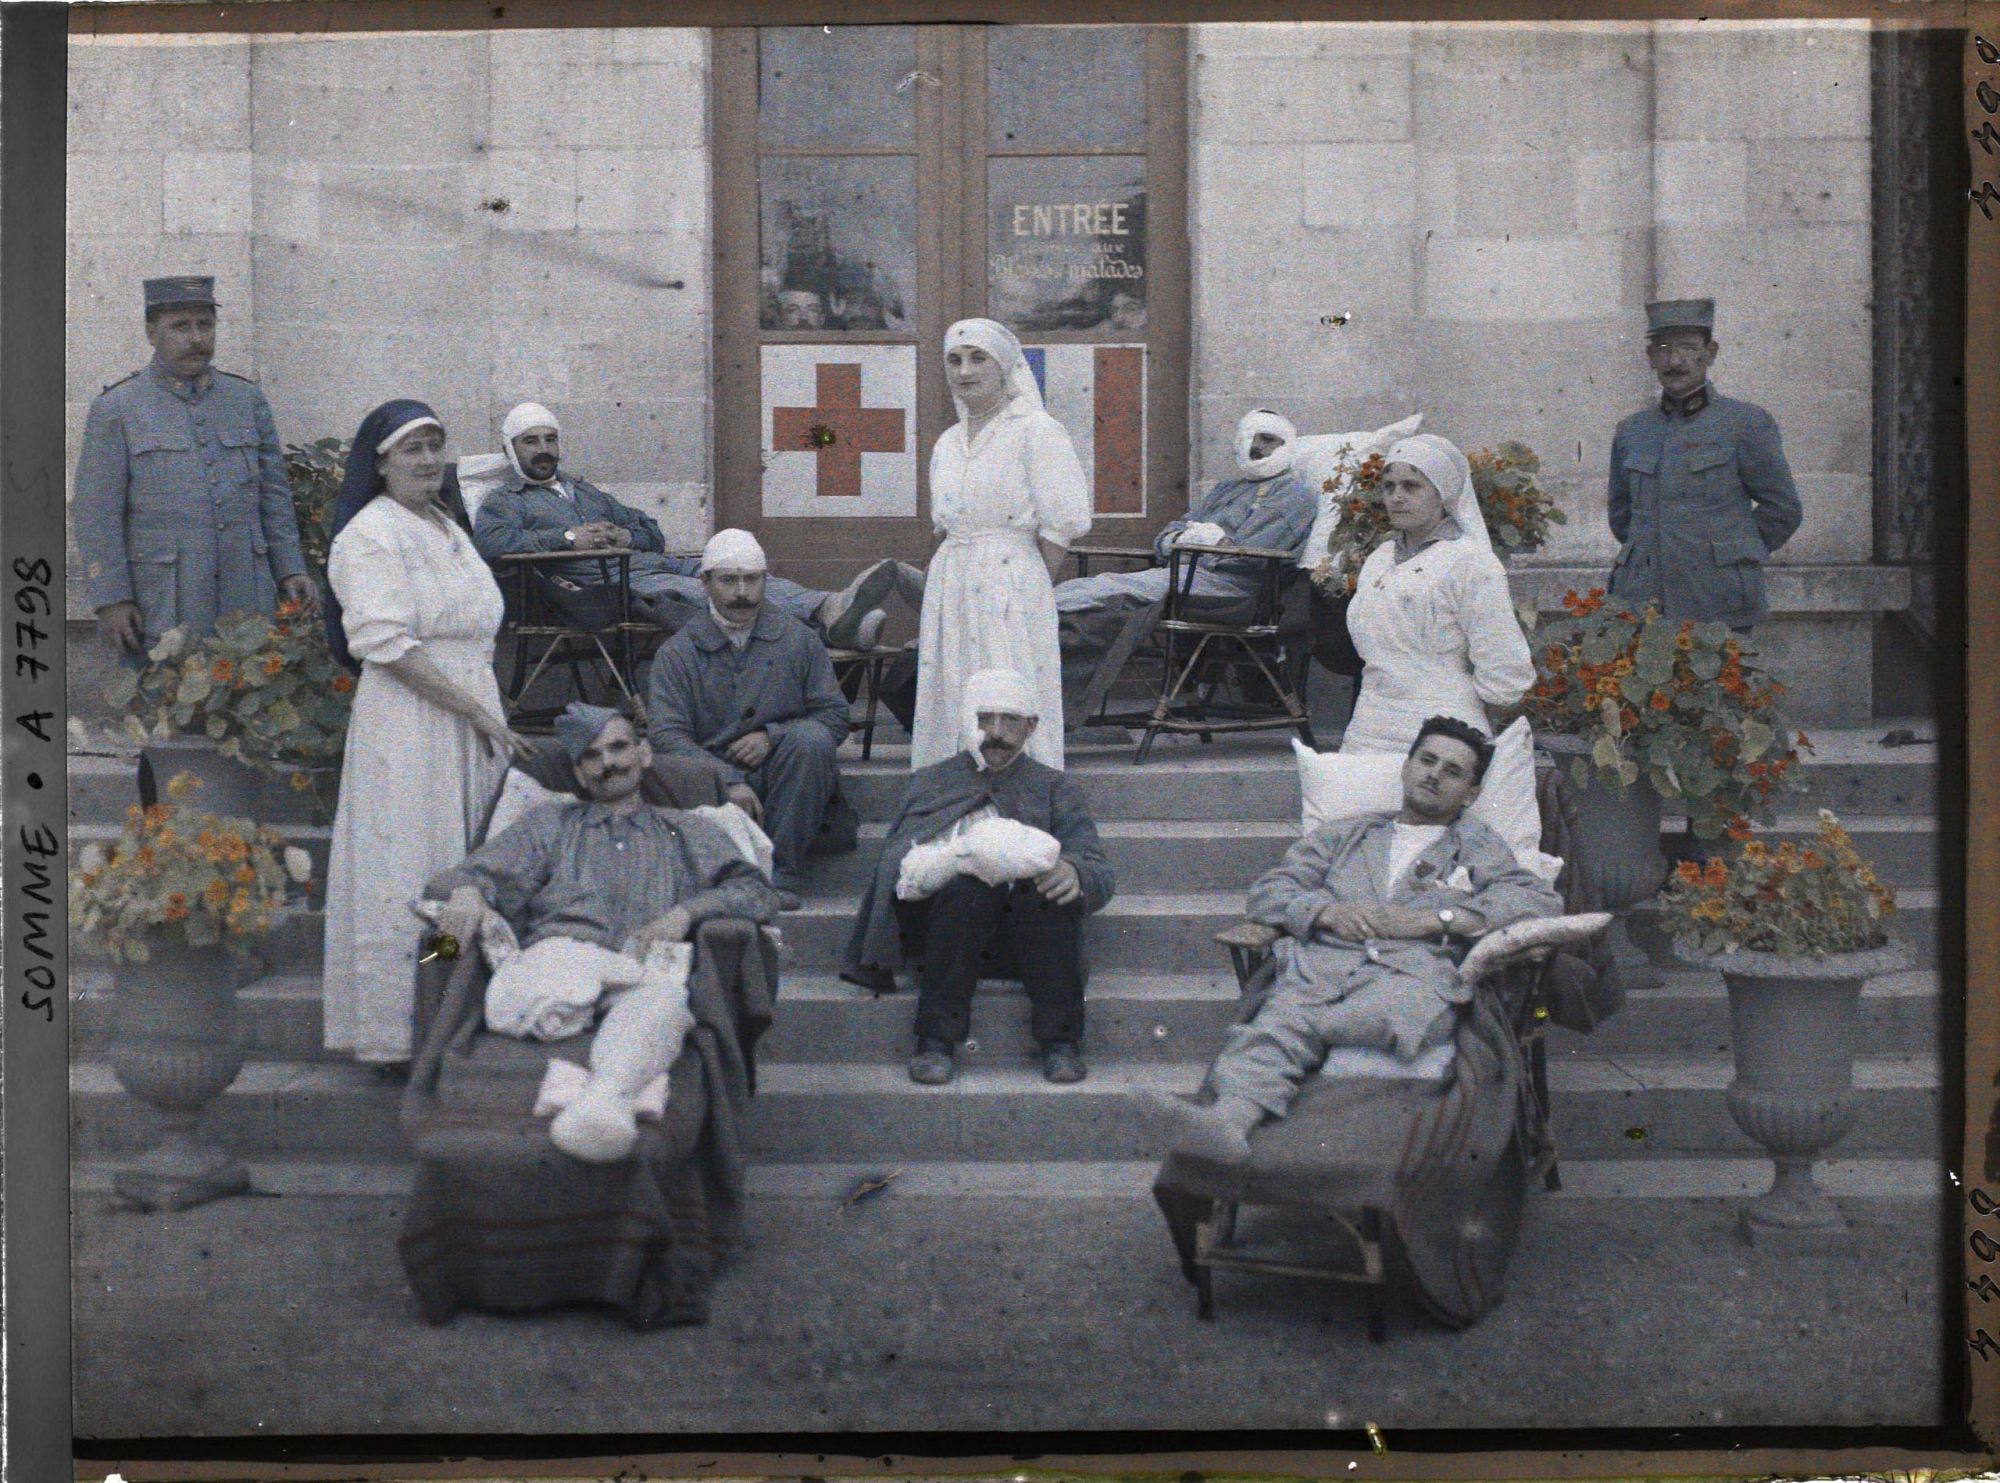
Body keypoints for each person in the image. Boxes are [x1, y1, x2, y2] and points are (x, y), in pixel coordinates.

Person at [1134, 716, 1560, 1164]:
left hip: (1410, 976)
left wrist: (1438, 919)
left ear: (1471, 794)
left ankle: (1300, 1053)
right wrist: (1325, 912)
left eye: (1452, 771)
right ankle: (1228, 1124)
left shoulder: (1475, 844)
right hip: (1325, 968)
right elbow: (1269, 892)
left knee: (1298, 1021)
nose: (1433, 774)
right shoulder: (1345, 834)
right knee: (1285, 1012)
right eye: (1426, 760)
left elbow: (1534, 901)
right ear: (1406, 766)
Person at [424, 703, 781, 1162]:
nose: (607, 762)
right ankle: (609, 1077)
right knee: (507, 998)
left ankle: (601, 1102)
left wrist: (686, 914)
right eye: (592, 755)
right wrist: (467, 892)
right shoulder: (548, 825)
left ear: (644, 754)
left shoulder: (688, 830)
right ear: (578, 772)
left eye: (618, 747)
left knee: (663, 1006)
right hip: (560, 957)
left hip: (641, 967)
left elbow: (757, 891)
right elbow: (454, 878)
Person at [321, 399, 535, 1070]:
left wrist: (482, 707)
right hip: (410, 723)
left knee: (467, 859)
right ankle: (401, 1029)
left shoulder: (447, 527)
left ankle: (460, 1010)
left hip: (470, 710)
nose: (426, 461)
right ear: (379, 461)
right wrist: (473, 711)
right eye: (410, 448)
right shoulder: (370, 534)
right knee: (412, 865)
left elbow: (475, 624)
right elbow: (387, 645)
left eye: (435, 446)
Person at [843, 668, 1115, 1087]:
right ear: (966, 722)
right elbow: (894, 867)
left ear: (1032, 727)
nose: (997, 733)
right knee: (967, 888)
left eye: (1010, 721)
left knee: (1042, 891)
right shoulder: (932, 781)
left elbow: (1098, 868)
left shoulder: (1053, 787)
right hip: (946, 934)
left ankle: (1060, 1041)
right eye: (984, 719)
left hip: (1028, 939)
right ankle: (935, 1039)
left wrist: (1074, 871)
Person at [472, 401, 918, 649]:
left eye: (550, 439)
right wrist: (569, 538)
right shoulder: (505, 502)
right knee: (704, 590)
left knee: (732, 563)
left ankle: (829, 608)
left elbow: (649, 529)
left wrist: (628, 534)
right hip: (604, 587)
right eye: (531, 441)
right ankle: (826, 628)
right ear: (513, 451)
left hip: (648, 563)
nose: (544, 449)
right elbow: (492, 545)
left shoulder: (585, 492)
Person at [73, 275, 319, 660]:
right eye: (180, 326)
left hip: (246, 598)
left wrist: (289, 568)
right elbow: (96, 514)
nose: (196, 338)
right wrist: (111, 598)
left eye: (205, 324)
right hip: (164, 605)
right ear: (151, 332)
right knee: (166, 712)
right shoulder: (117, 409)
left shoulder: (246, 400)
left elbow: (273, 496)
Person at [911, 318, 1093, 771]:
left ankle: (1018, 803)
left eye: (978, 359)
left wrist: (1025, 588)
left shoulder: (1035, 430)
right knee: (952, 685)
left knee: (1008, 683)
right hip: (952, 578)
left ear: (1005, 366)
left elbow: (1061, 523)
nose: (965, 371)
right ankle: (951, 798)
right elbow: (946, 522)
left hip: (1012, 580)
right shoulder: (949, 442)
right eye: (954, 360)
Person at [1056, 408, 1319, 717]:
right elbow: (1168, 535)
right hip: (1186, 576)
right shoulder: (1225, 490)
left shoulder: (1294, 494)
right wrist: (1187, 541)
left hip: (1236, 594)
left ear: (1286, 443)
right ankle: (1055, 696)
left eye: (1267, 439)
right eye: (1247, 438)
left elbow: (1248, 556)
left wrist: (1206, 542)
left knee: (1109, 594)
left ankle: (1062, 708)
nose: (1255, 447)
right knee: (1089, 592)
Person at [644, 529, 849, 909]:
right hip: (709, 776)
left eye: (752, 579)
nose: (742, 592)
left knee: (812, 741)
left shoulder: (798, 639)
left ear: (764, 581)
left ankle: (781, 874)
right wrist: (728, 780)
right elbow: (667, 735)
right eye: (729, 580)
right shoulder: (678, 652)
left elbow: (834, 715)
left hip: (784, 776)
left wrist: (774, 735)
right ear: (704, 583)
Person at [1606, 298, 1803, 632]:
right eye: (1663, 348)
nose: (1675, 361)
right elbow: (1621, 516)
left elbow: (1782, 510)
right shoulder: (1632, 430)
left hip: (1718, 602)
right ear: (1651, 358)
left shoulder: (1746, 423)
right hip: (1643, 602)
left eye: (1687, 347)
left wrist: (1728, 555)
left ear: (1710, 353)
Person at [1339, 433, 1534, 755]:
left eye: (1411, 486)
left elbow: (1504, 668)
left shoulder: (1471, 562)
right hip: (1368, 728)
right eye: (1389, 486)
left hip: (1442, 734)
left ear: (1442, 493)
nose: (1396, 497)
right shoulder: (1379, 559)